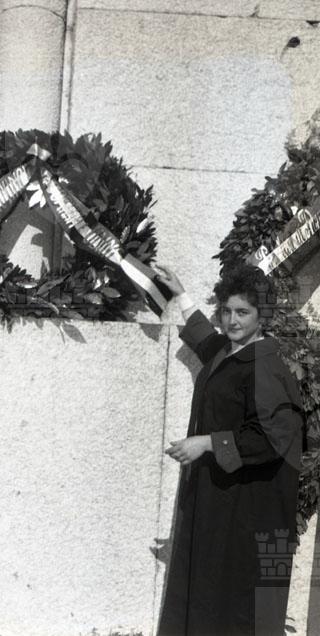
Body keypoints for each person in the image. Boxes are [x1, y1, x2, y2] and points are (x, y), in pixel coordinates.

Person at [155, 264, 304, 636]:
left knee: (241, 602)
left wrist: (206, 442)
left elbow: (272, 437)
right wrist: (180, 293)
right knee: (211, 591)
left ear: (261, 315)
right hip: (224, 499)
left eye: (243, 312)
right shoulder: (229, 351)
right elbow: (205, 339)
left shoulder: (267, 367)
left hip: (255, 508)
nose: (232, 320)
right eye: (226, 311)